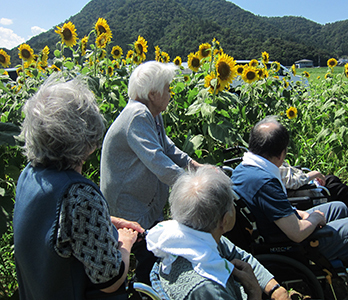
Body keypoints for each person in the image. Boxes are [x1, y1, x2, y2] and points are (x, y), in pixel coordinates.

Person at [231, 116, 348, 300]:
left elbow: (272, 209)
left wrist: (298, 213)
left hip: (276, 228)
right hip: (290, 245)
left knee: (339, 208)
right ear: (281, 154)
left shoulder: (244, 168)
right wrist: (314, 219)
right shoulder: (264, 182)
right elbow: (296, 233)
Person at [13, 76, 143, 300]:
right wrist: (126, 242)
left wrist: (107, 220)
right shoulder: (80, 195)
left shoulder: (29, 175)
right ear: (85, 133)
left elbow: (55, 229)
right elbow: (110, 279)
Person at [100, 61, 201, 284]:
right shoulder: (137, 115)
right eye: (167, 88)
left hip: (142, 200)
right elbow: (158, 161)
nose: (170, 93)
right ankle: (144, 291)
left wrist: (193, 165)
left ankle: (146, 289)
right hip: (128, 204)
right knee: (149, 255)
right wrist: (195, 185)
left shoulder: (152, 114)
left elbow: (166, 146)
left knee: (153, 252)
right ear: (153, 93)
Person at [146, 165, 290, 300]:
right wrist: (254, 293)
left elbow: (239, 255)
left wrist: (275, 289)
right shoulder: (207, 288)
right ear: (225, 220)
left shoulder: (188, 238)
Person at [280, 161, 348, 215]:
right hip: (299, 194)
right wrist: (314, 174)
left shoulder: (271, 160)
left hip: (300, 184)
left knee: (332, 179)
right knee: (341, 190)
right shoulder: (272, 165)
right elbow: (293, 182)